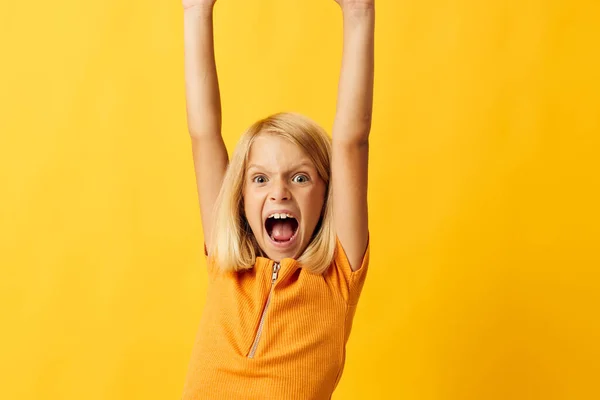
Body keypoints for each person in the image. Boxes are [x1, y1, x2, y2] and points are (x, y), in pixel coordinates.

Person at [180, 0, 374, 398]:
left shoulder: (337, 277)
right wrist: (195, 11)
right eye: (260, 179)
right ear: (240, 197)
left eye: (300, 177)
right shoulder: (225, 264)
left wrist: (359, 14)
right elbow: (203, 134)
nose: (279, 191)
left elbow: (352, 141)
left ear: (327, 193)